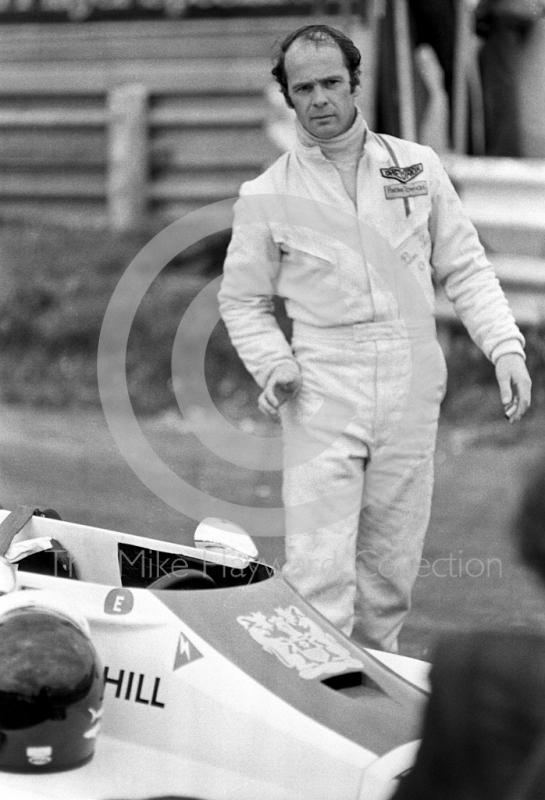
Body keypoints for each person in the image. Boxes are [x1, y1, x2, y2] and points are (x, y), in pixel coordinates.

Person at [218, 24, 531, 652]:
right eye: (304, 88)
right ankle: (314, 708)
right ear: (288, 96)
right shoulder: (266, 194)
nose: (320, 99)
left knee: (390, 570)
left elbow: (465, 266)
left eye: (331, 82)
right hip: (322, 382)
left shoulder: (416, 167)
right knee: (318, 572)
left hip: (412, 378)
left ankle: (374, 692)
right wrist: (275, 364)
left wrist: (505, 347)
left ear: (354, 82)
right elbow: (242, 301)